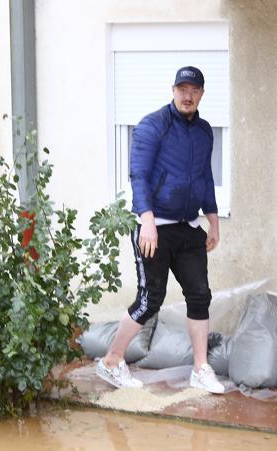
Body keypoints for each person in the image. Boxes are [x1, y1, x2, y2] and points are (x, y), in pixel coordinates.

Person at [96, 66, 224, 394]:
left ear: (202, 94)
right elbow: (138, 175)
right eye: (182, 88)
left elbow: (205, 178)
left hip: (188, 226)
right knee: (150, 298)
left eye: (194, 90)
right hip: (155, 226)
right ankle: (111, 360)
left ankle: (201, 368)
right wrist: (147, 221)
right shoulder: (153, 125)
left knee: (199, 295)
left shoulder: (205, 131)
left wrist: (213, 220)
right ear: (173, 90)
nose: (187, 95)